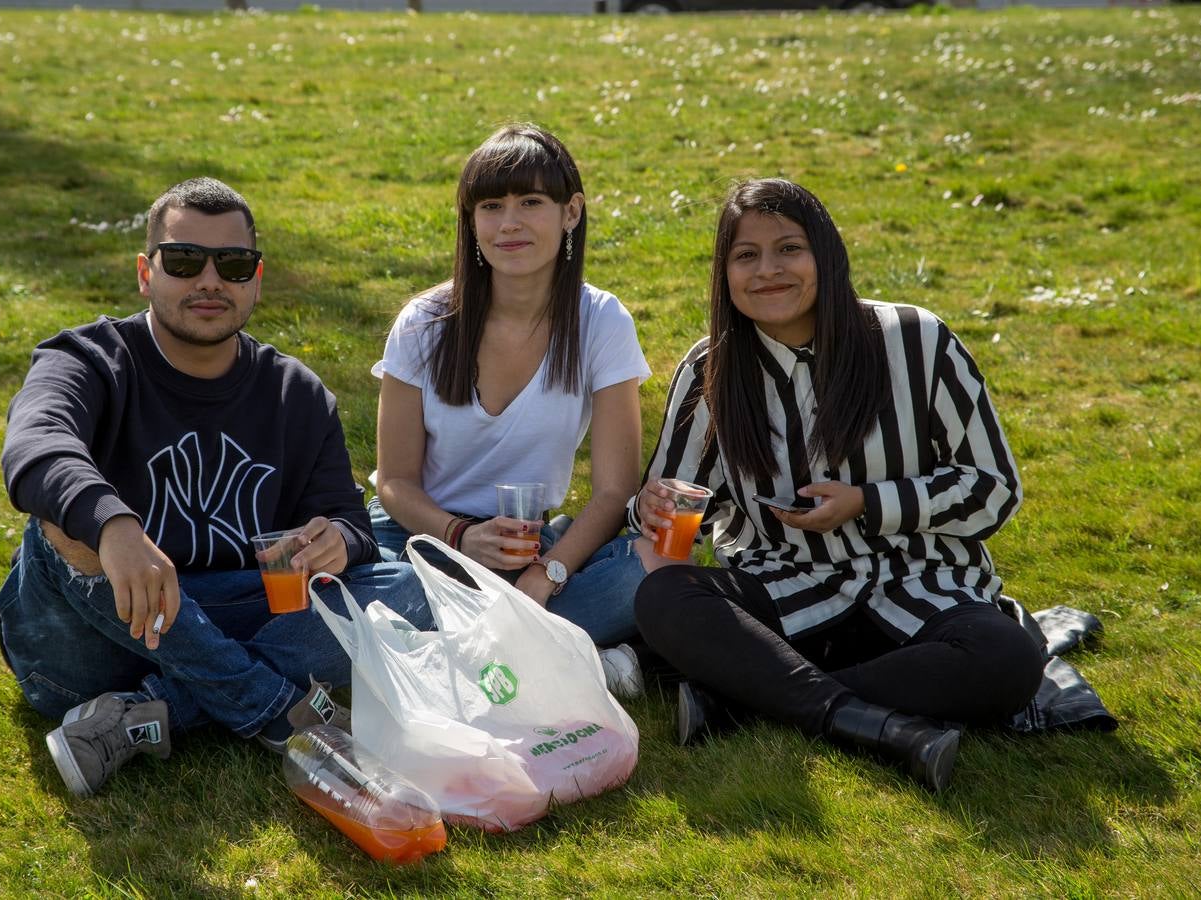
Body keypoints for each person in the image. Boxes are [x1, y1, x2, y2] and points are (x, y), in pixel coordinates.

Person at [0, 177, 431, 797]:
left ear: (256, 278)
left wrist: (340, 539)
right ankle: (274, 709)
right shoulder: (87, 359)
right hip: (93, 642)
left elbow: (350, 519)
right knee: (63, 523)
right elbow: (35, 446)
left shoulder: (297, 394)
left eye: (232, 264)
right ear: (147, 272)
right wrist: (115, 527)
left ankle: (154, 712)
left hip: (233, 610)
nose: (209, 280)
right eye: (183, 260)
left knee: (407, 584)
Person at [630, 178, 1045, 791]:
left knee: (1007, 659)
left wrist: (870, 503)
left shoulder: (916, 339)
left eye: (788, 249)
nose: (767, 270)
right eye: (746, 256)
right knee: (665, 600)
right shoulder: (710, 368)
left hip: (922, 585)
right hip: (787, 590)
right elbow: (677, 503)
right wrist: (652, 504)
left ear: (827, 254)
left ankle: (746, 700)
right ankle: (867, 722)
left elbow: (992, 487)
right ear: (725, 273)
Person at [369, 124, 650, 694]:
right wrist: (458, 535)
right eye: (491, 206)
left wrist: (545, 576)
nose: (509, 223)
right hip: (418, 540)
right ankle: (565, 656)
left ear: (571, 212)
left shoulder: (601, 321)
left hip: (527, 548)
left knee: (651, 567)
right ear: (471, 221)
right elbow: (395, 482)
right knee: (364, 592)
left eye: (531, 203)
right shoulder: (424, 322)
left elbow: (614, 492)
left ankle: (449, 654)